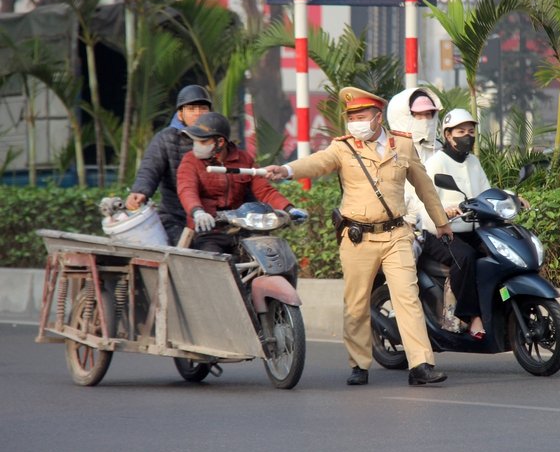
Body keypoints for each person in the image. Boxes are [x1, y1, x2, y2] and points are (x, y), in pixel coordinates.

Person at [264, 87, 454, 387]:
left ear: (378, 118)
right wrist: (287, 170)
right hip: (358, 238)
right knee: (356, 303)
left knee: (407, 298)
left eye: (361, 116)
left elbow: (424, 186)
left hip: (396, 235)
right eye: (351, 118)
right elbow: (317, 162)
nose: (355, 123)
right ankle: (359, 365)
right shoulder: (342, 148)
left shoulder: (402, 145)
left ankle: (421, 365)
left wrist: (441, 222)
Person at [177, 113, 307, 253]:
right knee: (214, 260)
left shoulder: (244, 159)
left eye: (202, 142)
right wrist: (197, 211)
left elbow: (264, 190)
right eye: (195, 141)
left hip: (241, 230)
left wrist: (289, 209)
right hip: (207, 232)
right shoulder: (190, 161)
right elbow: (187, 189)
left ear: (220, 142)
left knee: (266, 257)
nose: (196, 145)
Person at [418, 108, 492, 339]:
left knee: (497, 252)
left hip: (472, 231)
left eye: (471, 131)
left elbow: (486, 193)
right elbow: (424, 200)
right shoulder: (436, 162)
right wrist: (443, 211)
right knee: (465, 257)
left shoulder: (473, 162)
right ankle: (472, 316)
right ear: (448, 135)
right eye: (461, 132)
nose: (467, 136)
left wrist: (512, 197)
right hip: (441, 232)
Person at [126, 85, 212, 245]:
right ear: (180, 114)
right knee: (185, 253)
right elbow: (150, 167)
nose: (198, 113)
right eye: (191, 109)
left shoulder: (220, 139)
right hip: (175, 215)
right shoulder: (165, 138)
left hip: (213, 217)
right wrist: (140, 191)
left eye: (203, 108)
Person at [386, 88, 442, 240]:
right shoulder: (390, 151)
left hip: (437, 223)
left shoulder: (441, 149)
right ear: (404, 116)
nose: (424, 119)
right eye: (418, 115)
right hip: (401, 224)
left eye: (428, 114)